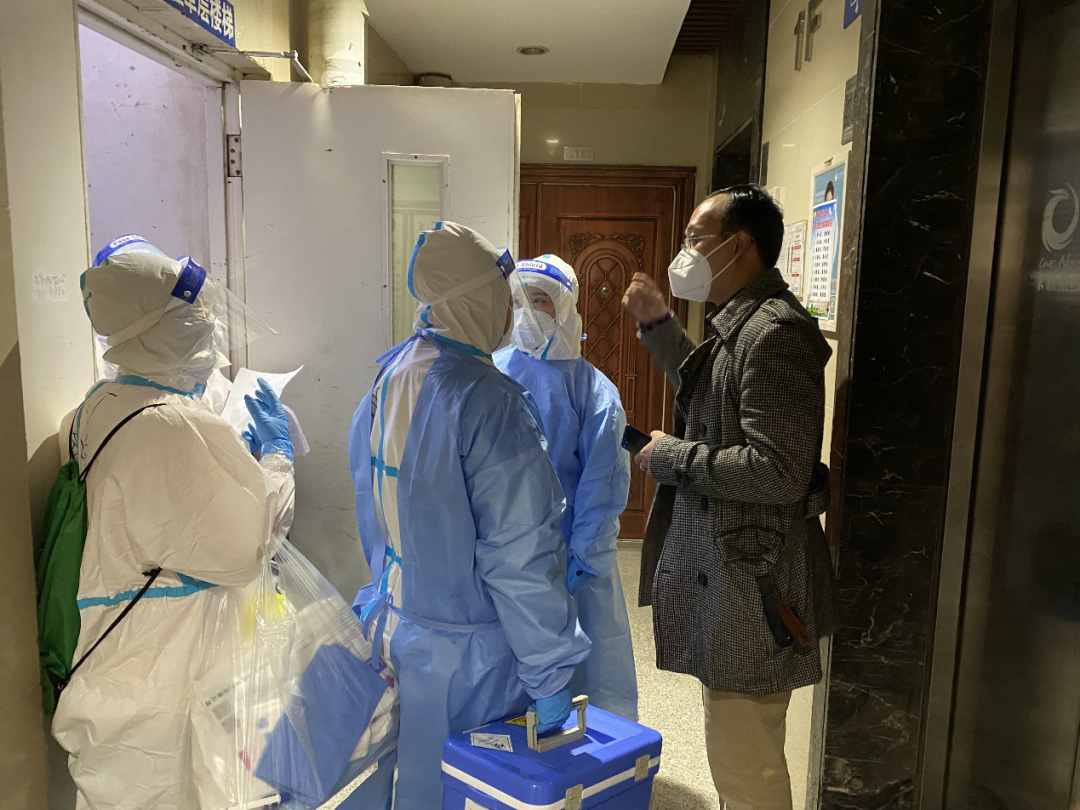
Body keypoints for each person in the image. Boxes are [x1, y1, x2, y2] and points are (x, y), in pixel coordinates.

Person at [349, 222, 591, 810]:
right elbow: (520, 551)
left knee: (399, 778)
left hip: (393, 624)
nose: (511, 313)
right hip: (468, 657)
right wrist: (549, 668)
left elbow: (370, 503)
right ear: (476, 300)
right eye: (502, 297)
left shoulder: (391, 373)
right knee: (458, 788)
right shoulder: (489, 400)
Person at [52, 237, 295, 810]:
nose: (210, 324)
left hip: (119, 665)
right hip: (163, 676)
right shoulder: (168, 427)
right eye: (195, 313)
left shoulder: (97, 406)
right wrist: (276, 460)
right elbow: (247, 548)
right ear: (153, 330)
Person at [622, 185, 835, 810]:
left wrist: (671, 456)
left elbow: (778, 471)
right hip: (733, 573)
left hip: (754, 584)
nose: (684, 251)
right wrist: (658, 325)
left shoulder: (774, 333)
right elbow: (712, 390)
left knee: (747, 765)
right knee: (737, 748)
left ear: (738, 244)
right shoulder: (739, 325)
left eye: (695, 238)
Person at [494, 254, 638, 721]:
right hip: (502, 553)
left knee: (586, 670)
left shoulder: (594, 394)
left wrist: (585, 559)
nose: (526, 314)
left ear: (565, 308)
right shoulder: (491, 374)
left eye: (539, 301)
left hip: (568, 554)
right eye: (518, 302)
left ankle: (593, 751)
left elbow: (602, 487)